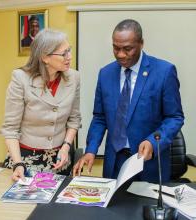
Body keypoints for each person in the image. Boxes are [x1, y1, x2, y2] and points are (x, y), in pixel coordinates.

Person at [73, 19, 184, 183]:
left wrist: (153, 141)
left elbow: (174, 117)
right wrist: (91, 150)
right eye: (115, 48)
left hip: (149, 162)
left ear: (141, 43)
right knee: (113, 208)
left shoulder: (164, 71)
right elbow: (100, 117)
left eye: (127, 49)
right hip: (114, 161)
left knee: (145, 207)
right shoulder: (105, 73)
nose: (120, 54)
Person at [0, 29, 81, 181]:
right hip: (25, 160)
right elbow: (11, 129)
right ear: (45, 57)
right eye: (63, 53)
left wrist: (66, 146)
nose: (69, 57)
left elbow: (74, 119)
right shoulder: (21, 78)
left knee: (56, 205)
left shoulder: (74, 77)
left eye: (69, 50)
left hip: (60, 158)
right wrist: (18, 164)